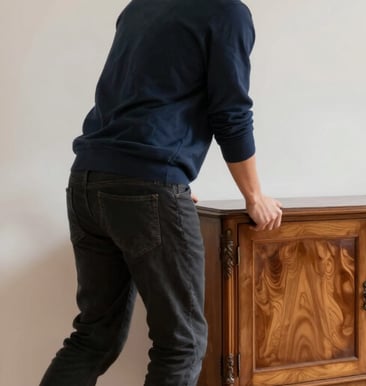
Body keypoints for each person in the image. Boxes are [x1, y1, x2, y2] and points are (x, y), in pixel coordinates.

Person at [40, 0, 283, 385]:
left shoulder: (141, 7)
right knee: (182, 344)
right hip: (146, 187)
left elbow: (140, 101)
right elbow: (231, 112)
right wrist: (254, 196)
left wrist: (170, 179)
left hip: (89, 178)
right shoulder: (226, 12)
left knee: (93, 337)